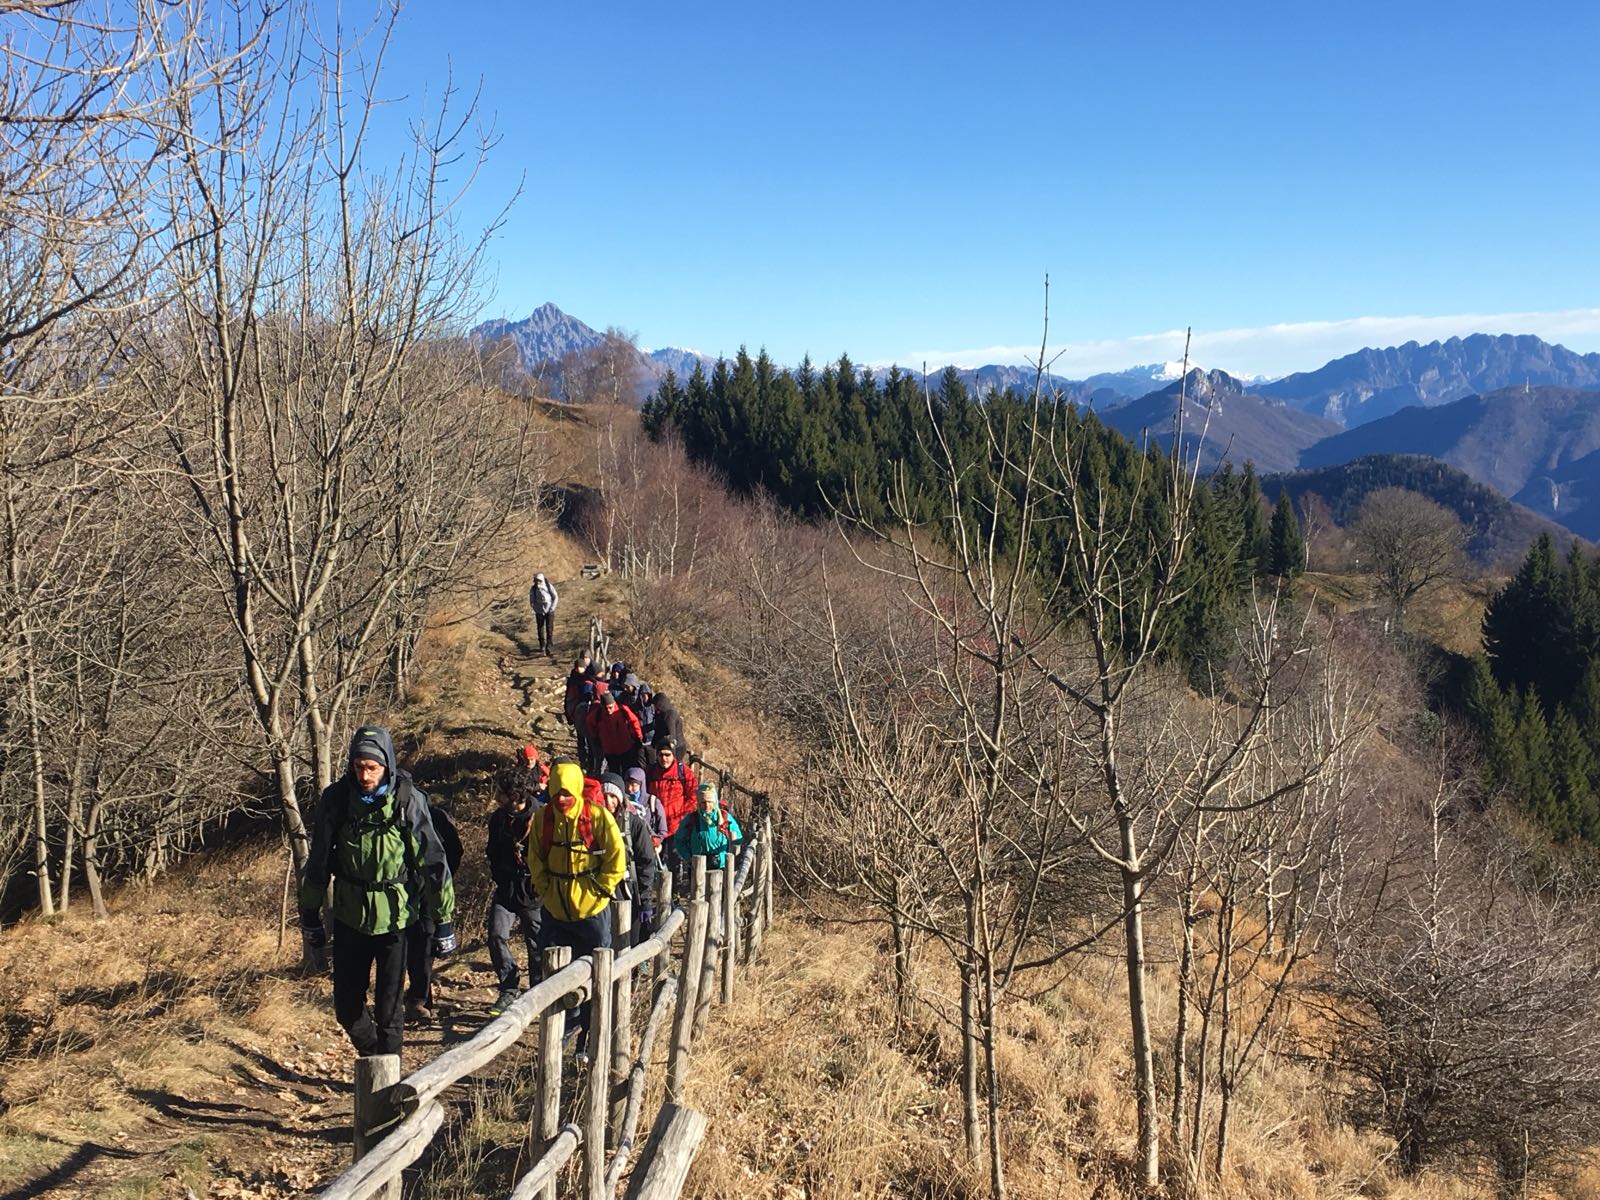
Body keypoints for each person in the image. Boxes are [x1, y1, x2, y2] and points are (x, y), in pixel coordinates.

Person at [299, 725, 456, 1057]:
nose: (365, 775)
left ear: (387, 766)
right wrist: (310, 914)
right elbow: (318, 862)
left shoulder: (407, 800)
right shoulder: (337, 800)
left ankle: (389, 1090)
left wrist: (443, 921)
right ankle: (377, 1063)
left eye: (372, 767)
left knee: (389, 1013)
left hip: (396, 919)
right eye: (358, 767)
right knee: (347, 1010)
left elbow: (432, 861)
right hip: (349, 916)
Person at [529, 758, 625, 1057]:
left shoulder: (596, 817)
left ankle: (592, 1043)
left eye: (567, 793)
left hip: (592, 912)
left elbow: (615, 859)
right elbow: (535, 859)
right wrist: (547, 890)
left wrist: (599, 889)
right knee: (555, 977)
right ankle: (556, 1044)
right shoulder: (543, 820)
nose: (562, 799)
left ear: (578, 791)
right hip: (556, 912)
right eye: (557, 793)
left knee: (596, 980)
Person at [486, 765, 542, 1016]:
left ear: (516, 795)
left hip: (534, 892)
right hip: (506, 889)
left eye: (501, 792)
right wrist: (499, 875)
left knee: (537, 944)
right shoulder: (498, 819)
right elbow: (492, 851)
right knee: (497, 934)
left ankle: (538, 991)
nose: (496, 796)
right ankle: (508, 987)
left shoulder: (541, 817)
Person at [404, 797, 463, 1023]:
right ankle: (412, 999)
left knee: (423, 947)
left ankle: (419, 1000)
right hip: (406, 891)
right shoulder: (395, 817)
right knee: (412, 948)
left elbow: (455, 851)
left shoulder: (436, 817)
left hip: (428, 893)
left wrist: (442, 880)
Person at [601, 772, 659, 945]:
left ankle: (632, 971)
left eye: (613, 796)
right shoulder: (592, 823)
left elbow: (646, 861)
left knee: (629, 942)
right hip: (600, 891)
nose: (609, 802)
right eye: (604, 796)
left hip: (628, 890)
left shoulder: (633, 823)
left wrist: (646, 900)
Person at [671, 781, 744, 871]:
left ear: (715, 802)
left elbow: (738, 839)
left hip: (721, 866)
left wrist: (731, 857)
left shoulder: (725, 818)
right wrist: (689, 858)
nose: (707, 806)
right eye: (703, 802)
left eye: (710, 802)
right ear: (698, 803)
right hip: (698, 867)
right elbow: (679, 840)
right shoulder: (692, 819)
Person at [646, 738, 698, 843]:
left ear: (673, 755)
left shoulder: (683, 773)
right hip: (656, 826)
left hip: (678, 826)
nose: (664, 758)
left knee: (675, 858)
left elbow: (694, 796)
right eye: (661, 755)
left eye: (667, 755)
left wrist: (683, 817)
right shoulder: (650, 772)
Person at [586, 688, 645, 774]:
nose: (609, 711)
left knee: (627, 770)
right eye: (606, 708)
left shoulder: (622, 710)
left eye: (610, 707)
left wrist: (638, 736)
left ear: (614, 704)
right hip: (609, 750)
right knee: (614, 772)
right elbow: (589, 723)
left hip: (625, 747)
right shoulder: (598, 714)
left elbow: (634, 721)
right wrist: (595, 737)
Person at [624, 766, 667, 848]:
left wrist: (657, 841)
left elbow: (663, 828)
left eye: (634, 785)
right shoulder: (622, 802)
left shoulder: (652, 802)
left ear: (641, 784)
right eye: (627, 784)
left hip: (647, 846)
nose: (629, 789)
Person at [649, 690, 688, 759]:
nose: (654, 707)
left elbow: (671, 735)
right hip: (665, 746)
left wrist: (670, 750)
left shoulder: (669, 715)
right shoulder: (660, 715)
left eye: (655, 705)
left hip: (676, 747)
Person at [529, 572, 559, 657]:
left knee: (549, 628)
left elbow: (555, 597)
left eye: (539, 580)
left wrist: (552, 608)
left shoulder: (549, 586)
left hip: (549, 610)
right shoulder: (533, 589)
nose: (537, 582)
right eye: (536, 580)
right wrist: (536, 609)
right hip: (539, 611)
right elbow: (531, 601)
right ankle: (542, 644)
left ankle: (549, 645)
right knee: (540, 629)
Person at [563, 651, 592, 727]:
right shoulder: (573, 676)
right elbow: (569, 695)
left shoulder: (592, 672)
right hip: (576, 705)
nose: (585, 660)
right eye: (583, 658)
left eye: (586, 658)